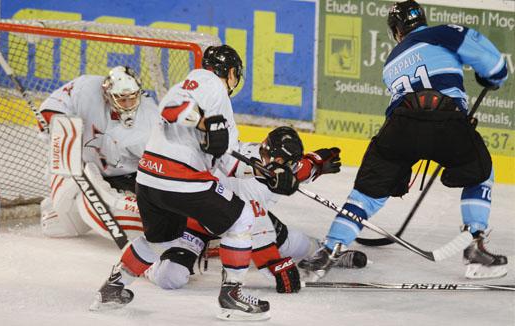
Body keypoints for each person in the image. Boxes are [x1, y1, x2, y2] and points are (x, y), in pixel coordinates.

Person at [299, 0, 508, 281]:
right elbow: (493, 62)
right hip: (446, 122)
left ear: (397, 31)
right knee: (480, 172)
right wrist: (493, 77)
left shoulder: (391, 62)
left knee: (367, 194)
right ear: (422, 19)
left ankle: (328, 251)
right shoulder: (441, 33)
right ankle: (475, 246)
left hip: (399, 128)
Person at [90, 45, 300, 321]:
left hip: (150, 179)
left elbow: (229, 164)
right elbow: (169, 108)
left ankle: (112, 289)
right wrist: (206, 124)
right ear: (233, 72)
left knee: (158, 241)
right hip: (181, 178)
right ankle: (232, 296)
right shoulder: (208, 81)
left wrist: (268, 174)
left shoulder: (221, 107)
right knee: (242, 217)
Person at [140, 128, 366, 294]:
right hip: (199, 221)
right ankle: (146, 265)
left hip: (244, 219)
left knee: (300, 246)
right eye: (279, 162)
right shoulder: (247, 175)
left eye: (289, 164)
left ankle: (328, 254)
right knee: (170, 277)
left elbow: (301, 170)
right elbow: (256, 230)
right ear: (264, 153)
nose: (285, 169)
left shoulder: (282, 167)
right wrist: (275, 266)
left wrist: (317, 162)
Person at [38, 66, 159, 240]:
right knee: (57, 225)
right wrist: (56, 123)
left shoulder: (149, 120)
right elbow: (52, 106)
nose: (127, 105)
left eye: (132, 98)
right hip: (78, 164)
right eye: (121, 98)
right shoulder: (85, 88)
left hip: (126, 177)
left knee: (144, 217)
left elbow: (160, 167)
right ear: (107, 94)